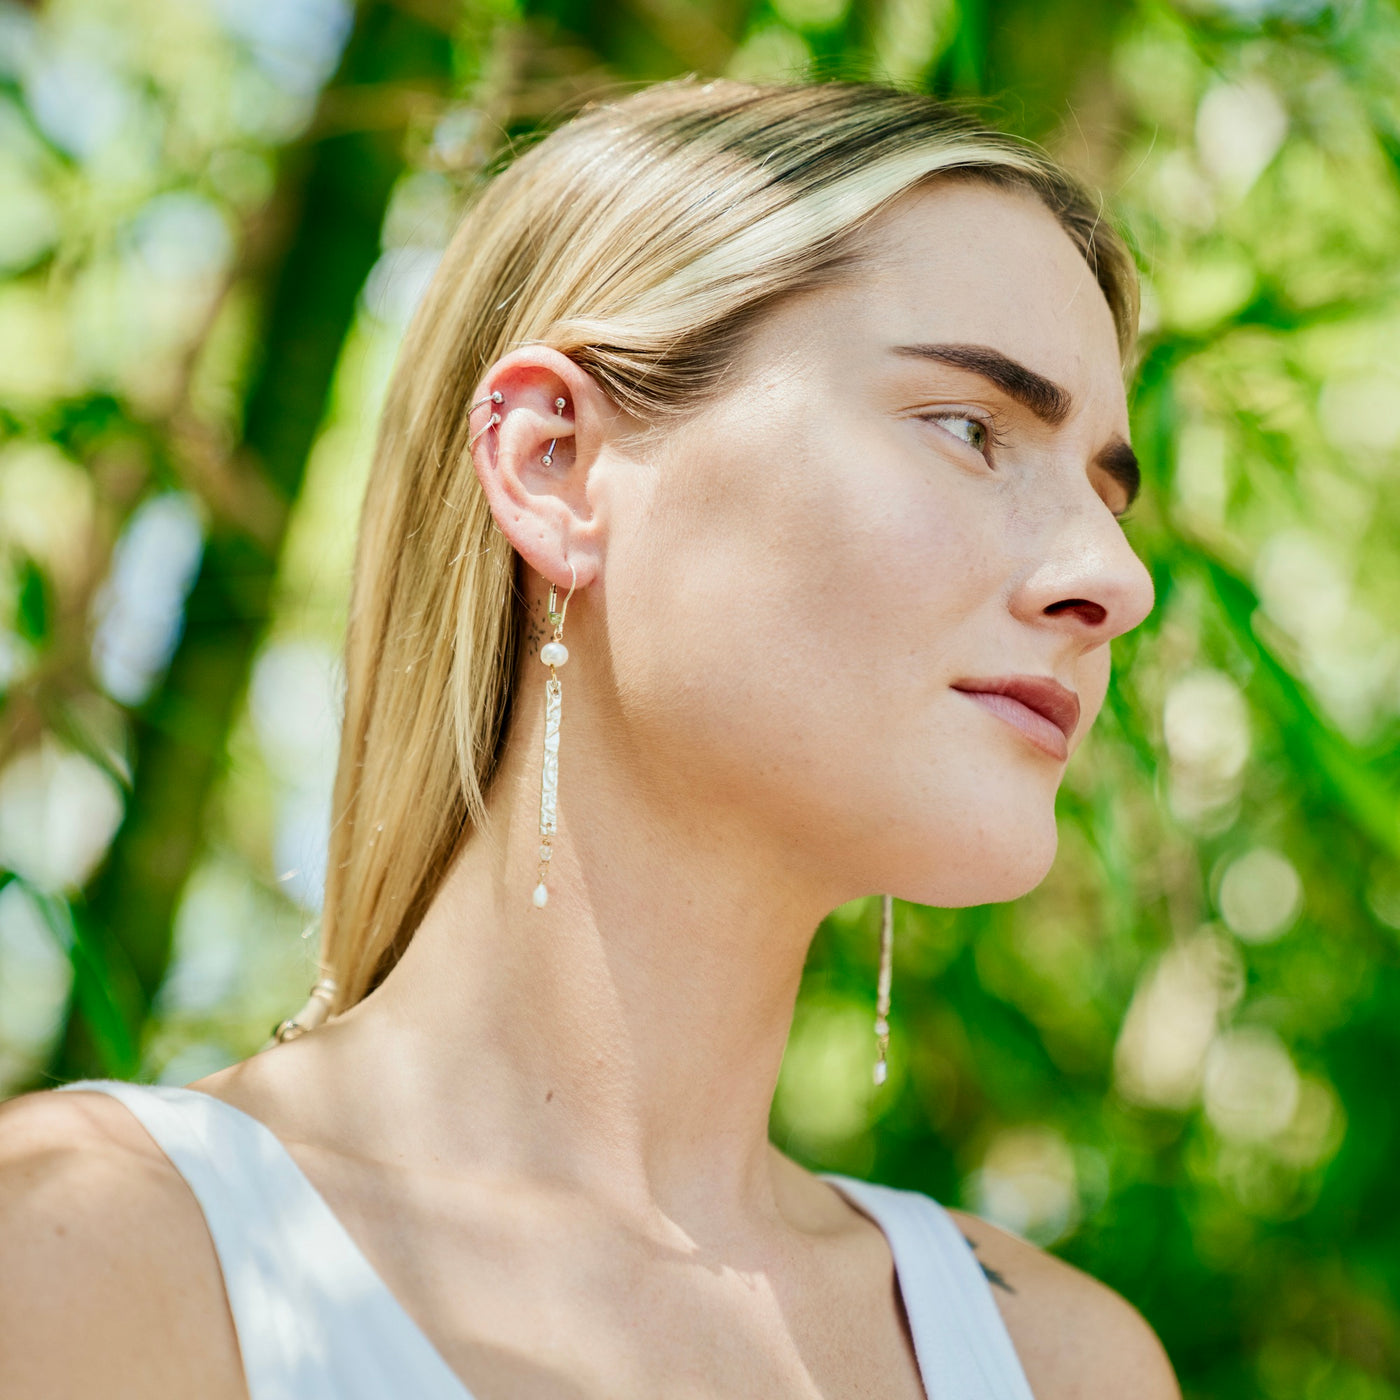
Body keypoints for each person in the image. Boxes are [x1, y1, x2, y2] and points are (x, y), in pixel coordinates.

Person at [0, 78, 1178, 1399]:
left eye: (1103, 487)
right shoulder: (82, 1254)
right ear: (556, 464)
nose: (1112, 577)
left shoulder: (1066, 1362)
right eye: (971, 430)